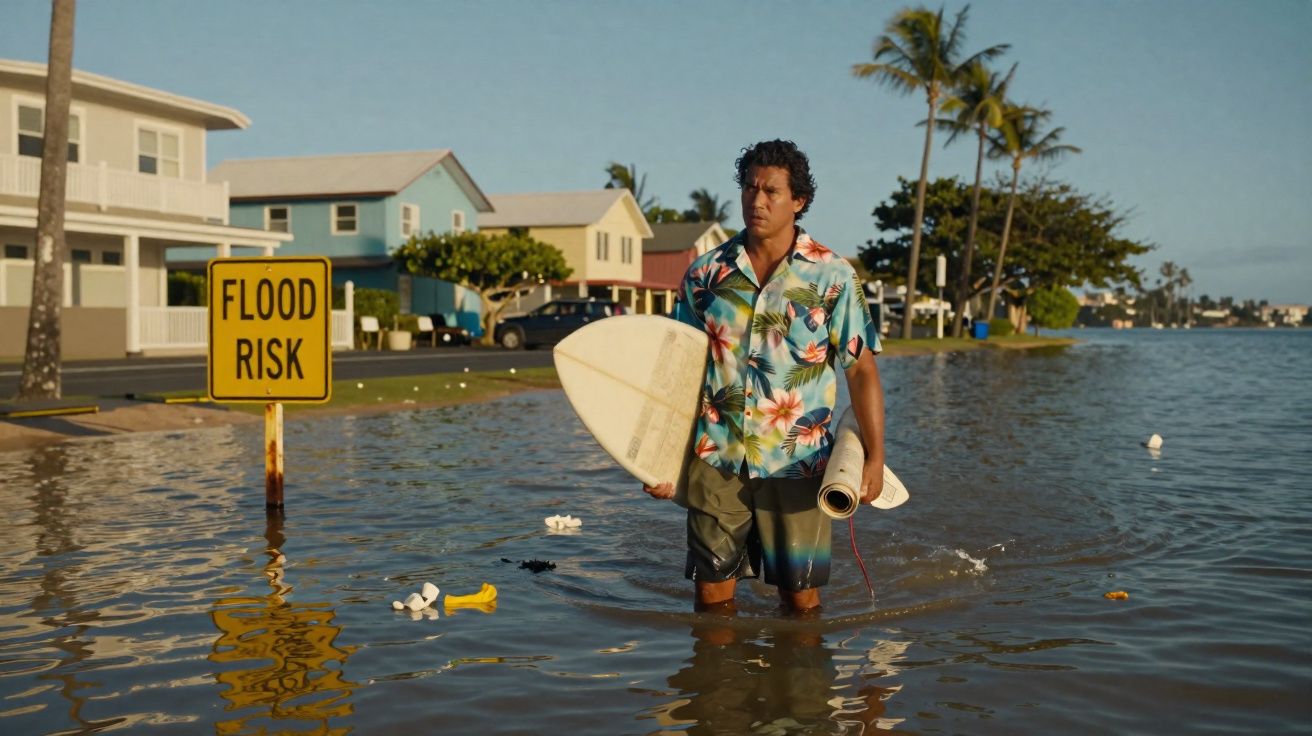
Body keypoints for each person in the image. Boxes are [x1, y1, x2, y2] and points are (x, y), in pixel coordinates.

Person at [644, 139, 887, 614]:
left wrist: (874, 457)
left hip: (796, 463)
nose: (757, 201)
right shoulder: (704, 275)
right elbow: (677, 373)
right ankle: (716, 686)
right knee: (710, 596)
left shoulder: (832, 276)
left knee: (800, 599)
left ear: (799, 201)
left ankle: (794, 685)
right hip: (716, 458)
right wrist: (657, 458)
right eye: (749, 188)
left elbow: (861, 370)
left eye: (771, 191)